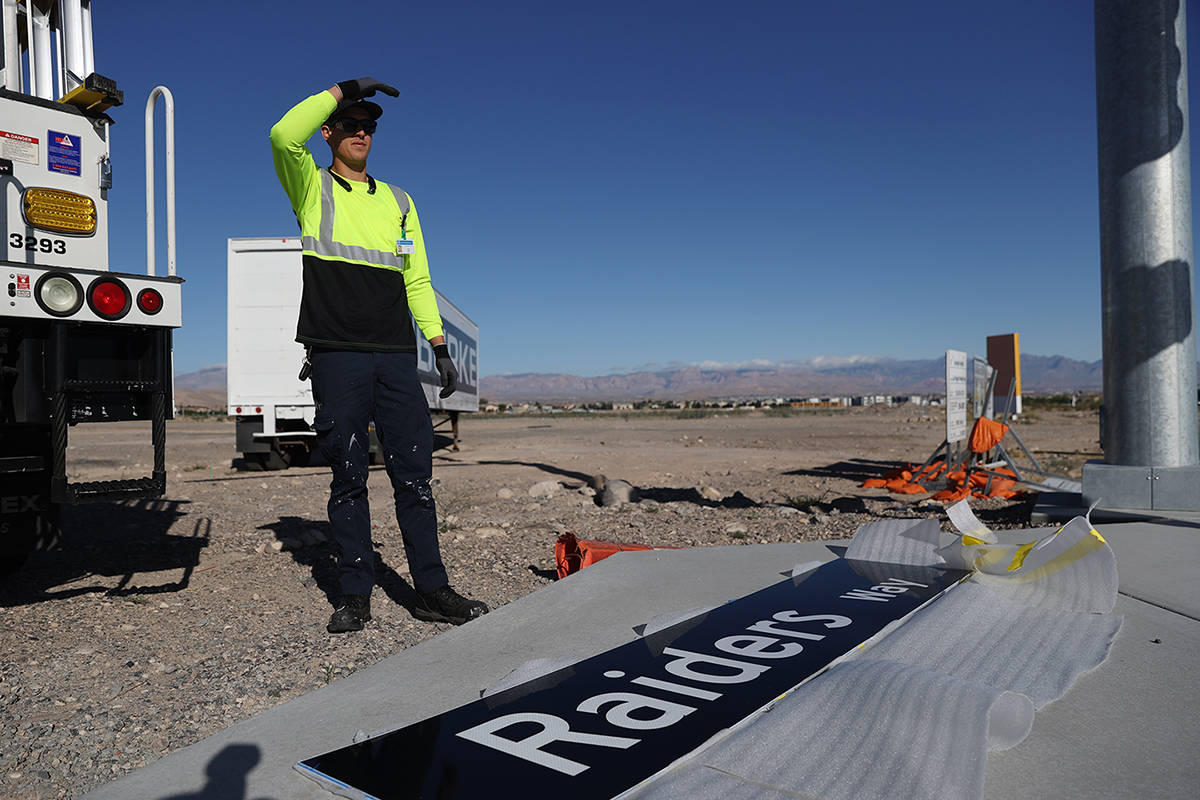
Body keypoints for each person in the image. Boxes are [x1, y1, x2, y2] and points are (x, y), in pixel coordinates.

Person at [269, 77, 488, 633]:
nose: (361, 133)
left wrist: (437, 344)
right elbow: (281, 134)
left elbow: (417, 277)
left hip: (394, 355)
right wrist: (340, 91)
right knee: (349, 475)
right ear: (329, 134)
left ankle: (432, 589)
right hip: (337, 354)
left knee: (414, 476)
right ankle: (355, 592)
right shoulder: (310, 187)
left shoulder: (400, 202)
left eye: (368, 127)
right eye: (350, 125)